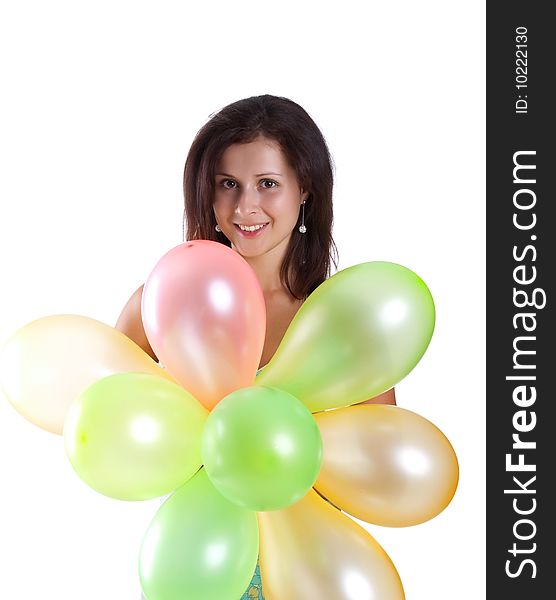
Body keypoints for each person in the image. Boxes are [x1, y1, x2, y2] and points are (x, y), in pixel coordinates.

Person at [116, 94, 395, 600]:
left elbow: (377, 457)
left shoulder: (340, 321)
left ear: (304, 187)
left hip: (312, 566)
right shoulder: (164, 304)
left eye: (268, 183)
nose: (245, 207)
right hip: (202, 562)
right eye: (228, 184)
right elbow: (110, 418)